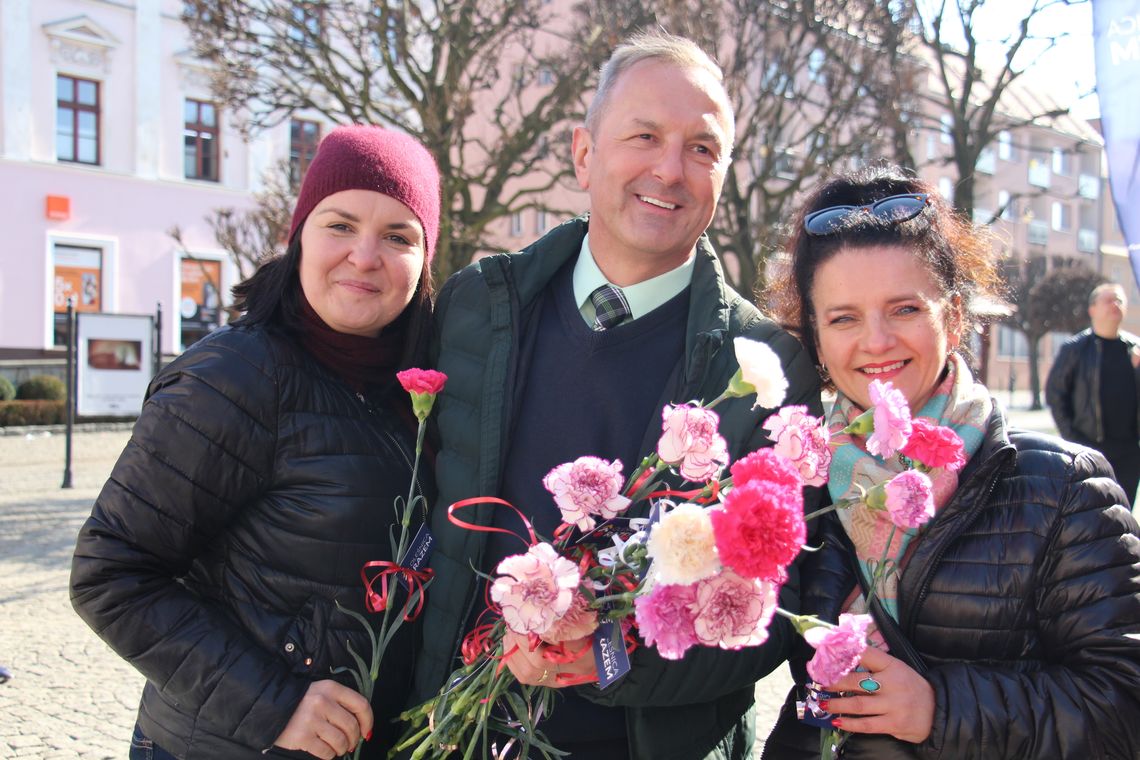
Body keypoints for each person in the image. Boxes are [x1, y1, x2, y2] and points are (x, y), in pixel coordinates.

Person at [410, 31, 822, 760]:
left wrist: (610, 656)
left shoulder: (767, 370)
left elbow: (779, 610)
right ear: (583, 152)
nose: (670, 169)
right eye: (644, 135)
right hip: (454, 734)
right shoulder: (478, 307)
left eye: (702, 149)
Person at [70, 125, 441, 760]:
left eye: (399, 236)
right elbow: (111, 574)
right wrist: (274, 703)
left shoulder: (421, 391)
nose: (365, 255)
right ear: (299, 238)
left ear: (425, 261)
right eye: (341, 225)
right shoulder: (236, 376)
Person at [762, 166, 1140, 759]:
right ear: (814, 335)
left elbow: (1124, 705)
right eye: (844, 317)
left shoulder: (1065, 487)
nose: (877, 340)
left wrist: (939, 708)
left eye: (905, 309)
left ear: (955, 315)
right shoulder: (805, 484)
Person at [1046, 282, 1140, 507]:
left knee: (1124, 517)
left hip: (1129, 453)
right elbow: (1055, 394)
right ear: (1092, 310)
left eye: (1119, 300)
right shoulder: (1075, 349)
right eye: (1109, 300)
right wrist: (1074, 441)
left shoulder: (1135, 350)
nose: (1115, 304)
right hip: (1089, 450)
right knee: (1092, 517)